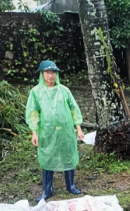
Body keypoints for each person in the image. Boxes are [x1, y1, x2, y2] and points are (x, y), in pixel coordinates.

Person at [26, 60, 84, 203]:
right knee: (48, 157)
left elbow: (74, 109)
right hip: (47, 131)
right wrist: (34, 132)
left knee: (68, 154)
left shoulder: (64, 90)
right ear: (42, 74)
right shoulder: (35, 92)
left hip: (65, 130)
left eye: (53, 72)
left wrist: (78, 128)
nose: (50, 75)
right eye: (47, 72)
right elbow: (33, 112)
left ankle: (70, 185)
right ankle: (47, 190)